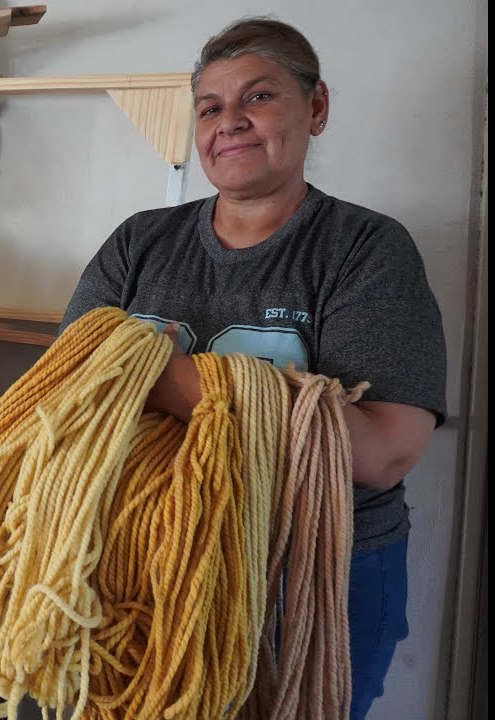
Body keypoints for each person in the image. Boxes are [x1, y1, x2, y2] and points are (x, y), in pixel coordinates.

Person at [60, 16, 447, 720]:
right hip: (147, 557)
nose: (229, 122)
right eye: (210, 107)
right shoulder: (139, 242)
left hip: (313, 581)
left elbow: (384, 450)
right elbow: (68, 390)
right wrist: (274, 403)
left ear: (316, 108)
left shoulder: (367, 251)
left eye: (258, 98)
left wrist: (152, 371)